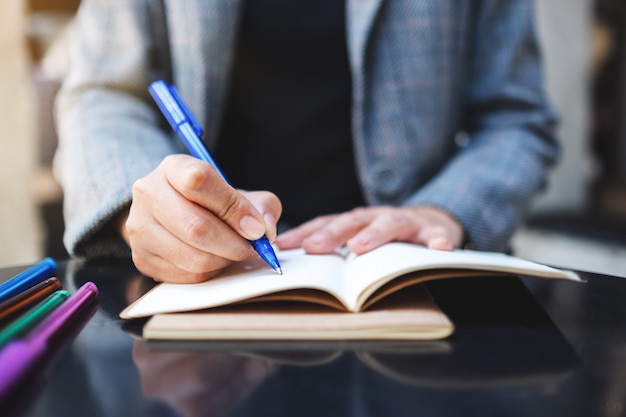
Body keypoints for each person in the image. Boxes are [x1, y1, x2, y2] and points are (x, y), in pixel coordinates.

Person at [54, 0, 559, 284]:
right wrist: (141, 207)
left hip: (416, 276)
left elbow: (516, 119)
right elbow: (104, 94)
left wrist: (444, 211)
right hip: (202, 281)